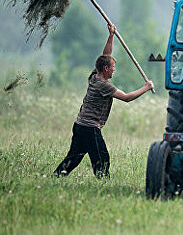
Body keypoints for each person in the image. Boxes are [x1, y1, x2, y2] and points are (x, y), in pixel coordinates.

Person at [53, 24, 154, 178]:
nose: (114, 69)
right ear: (106, 69)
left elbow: (105, 55)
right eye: (113, 67)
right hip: (89, 127)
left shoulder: (95, 75)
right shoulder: (103, 85)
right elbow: (126, 98)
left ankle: (57, 176)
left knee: (74, 156)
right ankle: (103, 182)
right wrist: (145, 88)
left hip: (80, 125)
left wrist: (111, 35)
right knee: (102, 158)